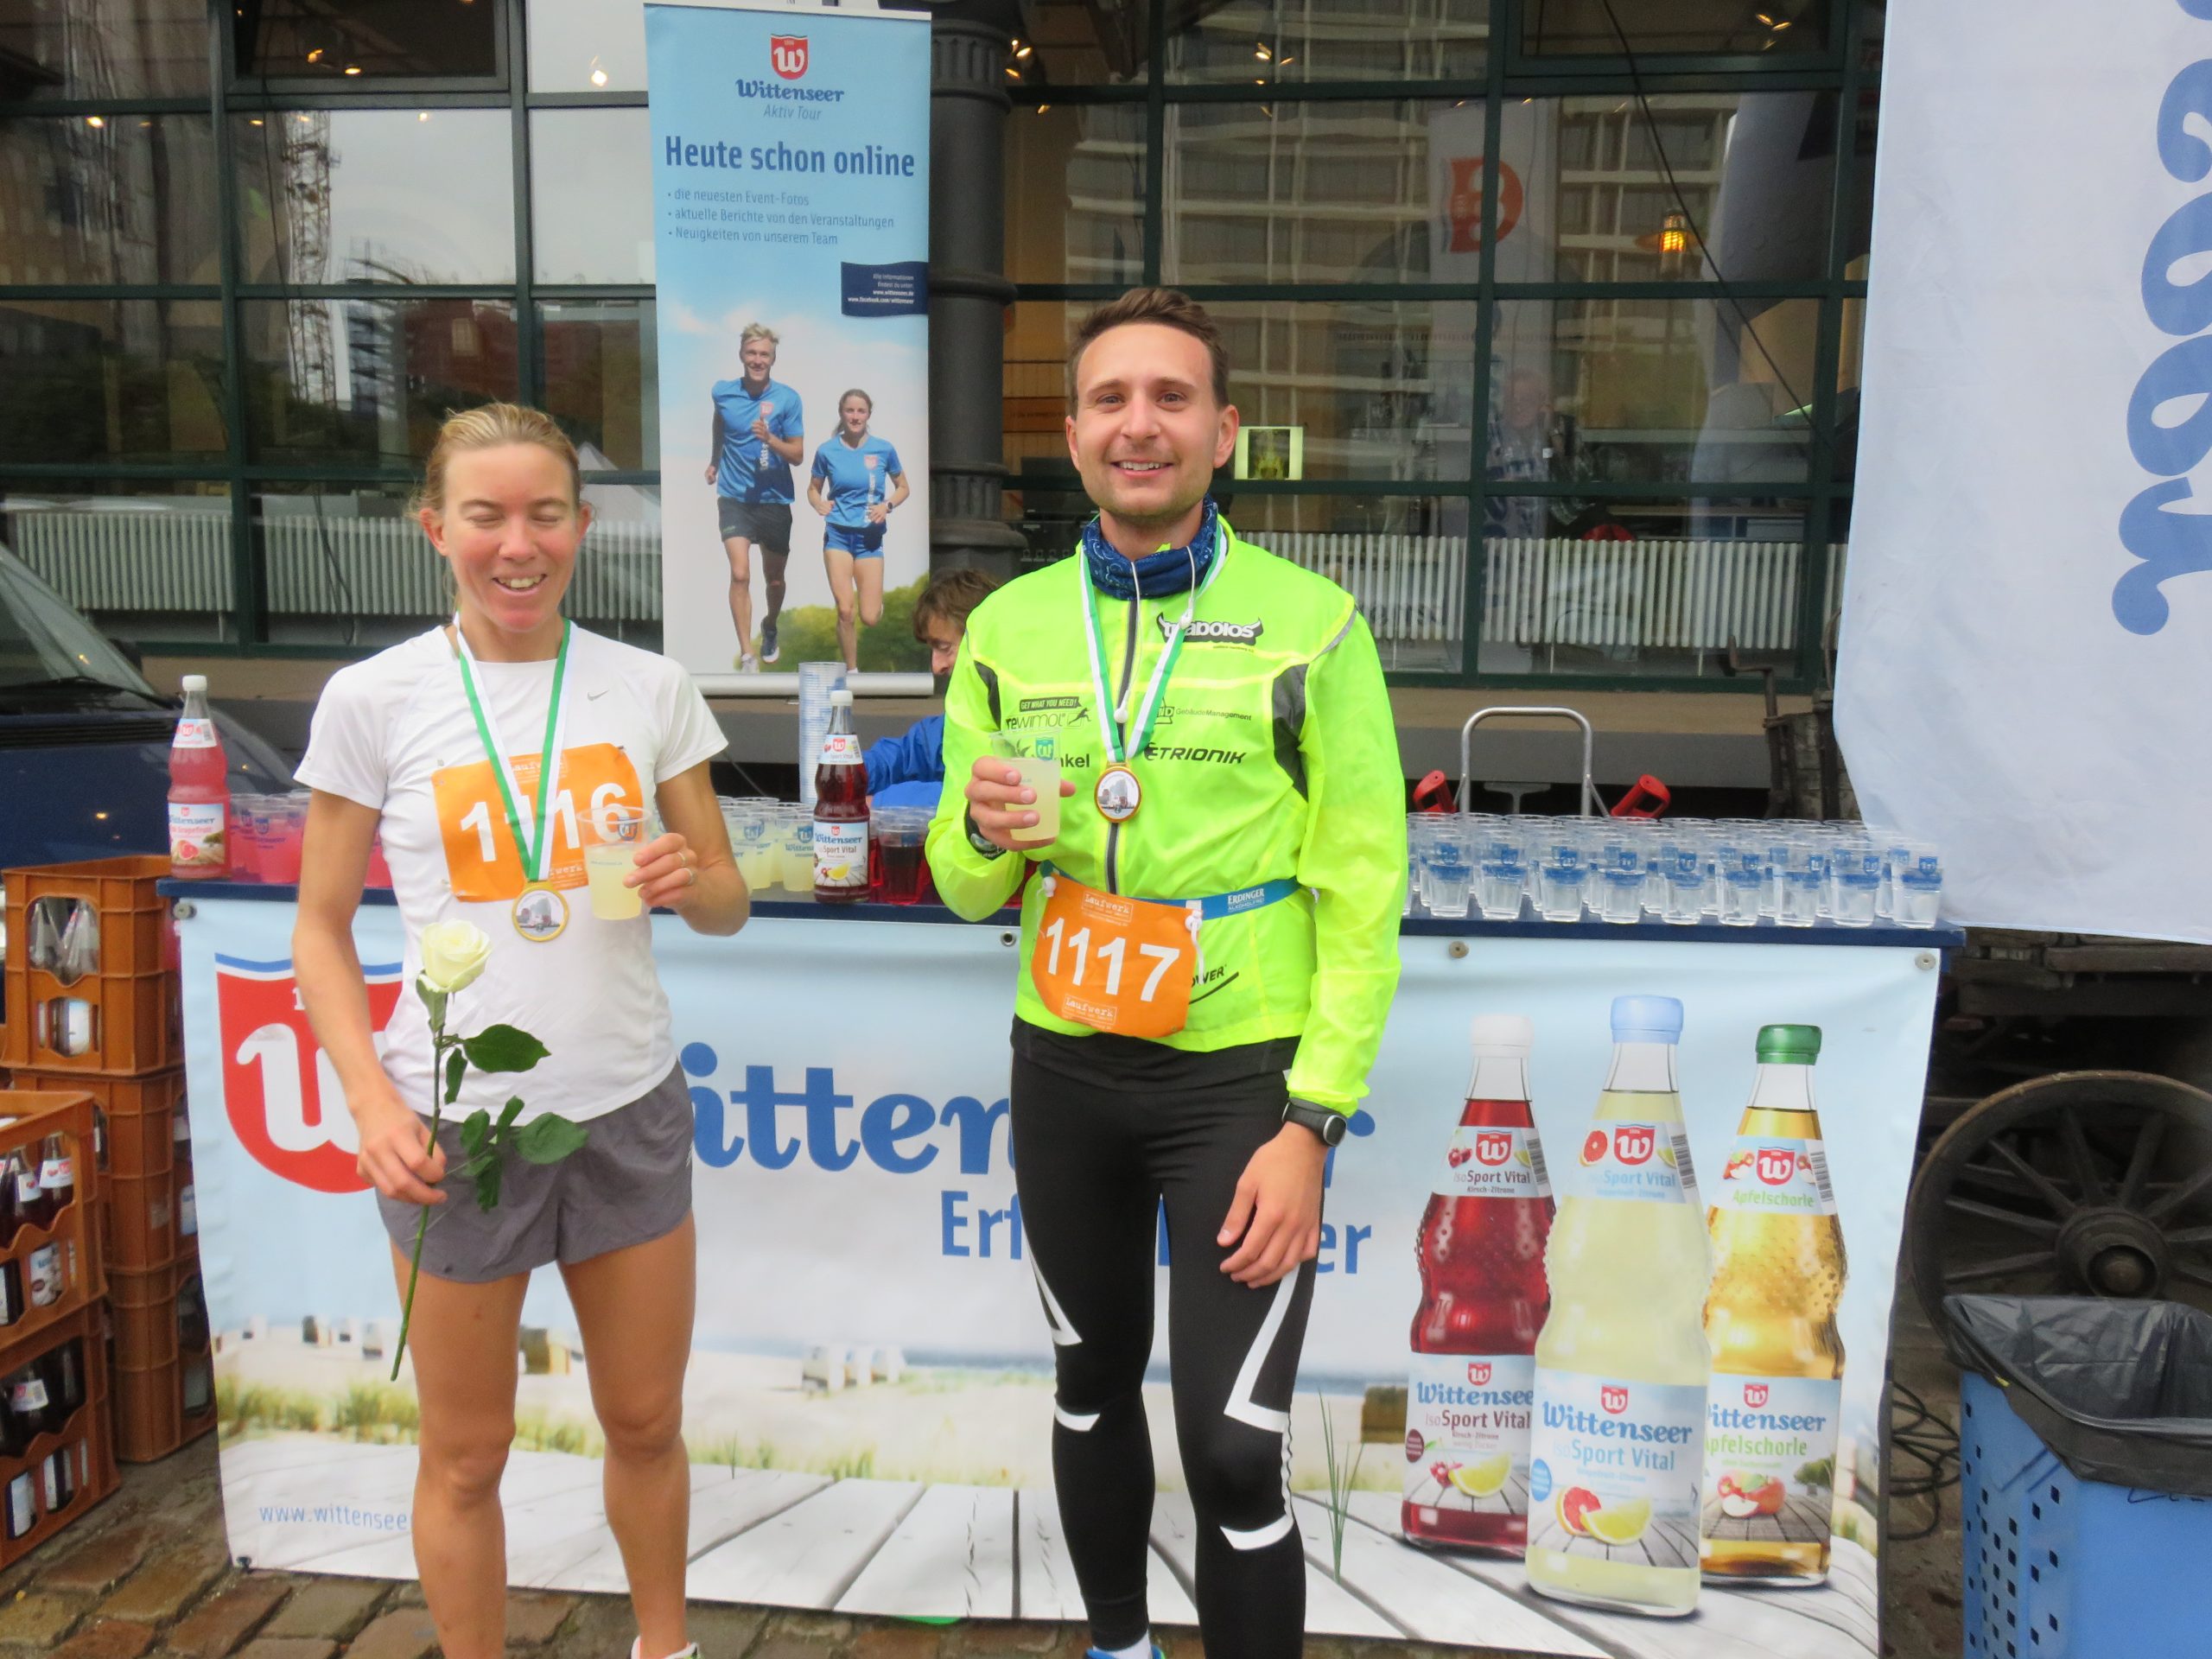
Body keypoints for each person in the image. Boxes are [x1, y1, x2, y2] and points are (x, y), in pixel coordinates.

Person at [925, 289, 1405, 1659]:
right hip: (1066, 1065)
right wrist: (981, 832)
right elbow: (965, 885)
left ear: (1224, 431)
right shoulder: (1009, 629)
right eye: (1111, 400)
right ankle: (1119, 1645)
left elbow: (1364, 891)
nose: (1141, 425)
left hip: (1238, 1085)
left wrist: (1313, 1122)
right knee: (1088, 1384)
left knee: (1236, 1448)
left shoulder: (1313, 623)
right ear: (1075, 436)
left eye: (1172, 398)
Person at [292, 404, 750, 1659]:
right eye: (485, 516)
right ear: (434, 529)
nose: (518, 544)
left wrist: (689, 880)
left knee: (646, 1423)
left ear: (583, 527)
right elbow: (318, 931)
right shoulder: (374, 698)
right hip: (453, 1127)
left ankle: (667, 1647)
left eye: (545, 515)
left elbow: (726, 902)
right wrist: (371, 1105)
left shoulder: (647, 687)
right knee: (467, 1454)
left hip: (625, 1107)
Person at [704, 323, 804, 671]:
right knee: (740, 574)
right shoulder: (723, 392)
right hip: (734, 497)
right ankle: (747, 654)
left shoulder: (788, 399)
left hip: (775, 499)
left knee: (774, 579)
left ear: (773, 359)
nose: (757, 360)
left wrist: (771, 440)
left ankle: (770, 625)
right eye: (752, 353)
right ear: (741, 355)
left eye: (764, 354)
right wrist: (715, 460)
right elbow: (721, 423)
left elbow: (798, 455)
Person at [862, 566, 999, 808]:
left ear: (984, 641)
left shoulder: (1021, 718)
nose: (936, 667)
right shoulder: (949, 724)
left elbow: (972, 795)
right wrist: (849, 770)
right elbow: (907, 754)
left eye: (944, 648)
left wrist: (878, 805)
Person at [806, 389, 911, 671]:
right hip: (838, 535)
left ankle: (874, 603)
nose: (855, 416)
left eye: (860, 411)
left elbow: (903, 487)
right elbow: (813, 489)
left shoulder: (883, 449)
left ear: (868, 414)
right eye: (850, 411)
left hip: (870, 539)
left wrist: (887, 506)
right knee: (845, 609)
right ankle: (852, 670)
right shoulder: (827, 451)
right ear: (842, 413)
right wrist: (818, 503)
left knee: (870, 617)